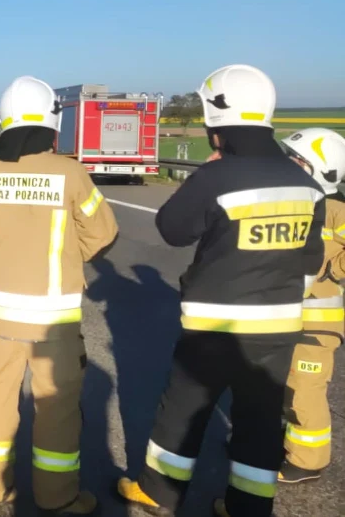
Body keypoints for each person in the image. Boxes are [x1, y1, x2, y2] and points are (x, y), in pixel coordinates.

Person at [117, 65, 327, 517]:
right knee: (259, 418)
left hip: (215, 324)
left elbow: (172, 229)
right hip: (279, 324)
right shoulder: (307, 185)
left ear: (217, 122)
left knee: (183, 413)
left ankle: (159, 493)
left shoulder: (217, 177)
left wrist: (203, 178)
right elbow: (311, 261)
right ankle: (248, 507)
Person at [0, 76, 118, 516]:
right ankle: (58, 498)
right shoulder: (70, 172)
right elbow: (103, 234)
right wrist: (69, 254)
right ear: (52, 127)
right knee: (56, 414)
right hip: (54, 324)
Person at [277, 127, 345, 483]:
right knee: (285, 389)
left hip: (317, 322)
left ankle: (307, 461)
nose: (288, 163)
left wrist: (325, 264)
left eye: (296, 159)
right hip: (285, 316)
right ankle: (282, 444)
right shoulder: (294, 201)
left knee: (305, 394)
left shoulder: (336, 210)